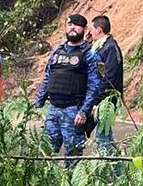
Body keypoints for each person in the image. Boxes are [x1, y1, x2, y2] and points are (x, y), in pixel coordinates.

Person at [34, 14, 105, 165]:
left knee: (73, 155)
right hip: (53, 109)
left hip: (74, 111)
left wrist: (84, 111)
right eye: (70, 24)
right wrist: (38, 103)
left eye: (77, 25)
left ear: (84, 29)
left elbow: (95, 86)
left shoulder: (90, 55)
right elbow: (48, 77)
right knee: (46, 151)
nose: (73, 27)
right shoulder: (57, 52)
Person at [87, 15, 123, 155]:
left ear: (99, 30)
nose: (90, 32)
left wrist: (96, 100)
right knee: (105, 137)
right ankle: (117, 171)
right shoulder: (100, 47)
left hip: (106, 101)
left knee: (103, 139)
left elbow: (109, 77)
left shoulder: (110, 48)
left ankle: (117, 172)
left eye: (91, 29)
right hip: (101, 99)